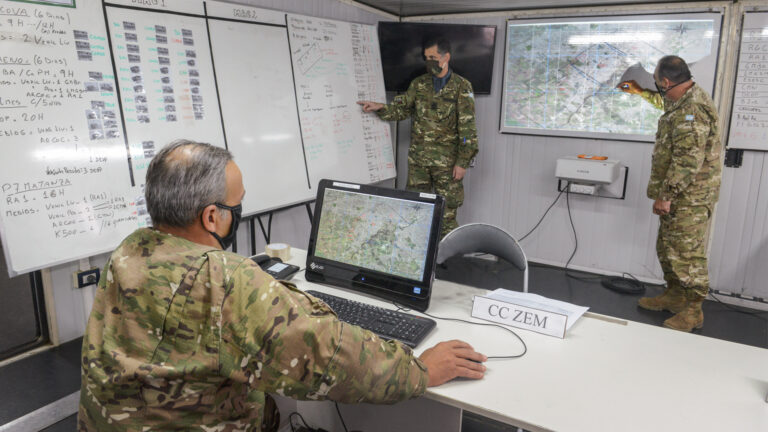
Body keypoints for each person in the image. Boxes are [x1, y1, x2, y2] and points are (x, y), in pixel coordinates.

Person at [77, 139, 487, 431]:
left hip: (111, 421)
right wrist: (419, 371)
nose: (238, 214)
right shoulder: (223, 279)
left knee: (270, 405)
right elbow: (327, 356)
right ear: (211, 218)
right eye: (236, 207)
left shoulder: (129, 251)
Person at [618, 55, 721, 332]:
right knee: (668, 248)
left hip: (689, 196)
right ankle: (675, 295)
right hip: (679, 194)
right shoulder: (681, 100)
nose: (657, 87)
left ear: (665, 81)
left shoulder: (694, 109)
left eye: (654, 82)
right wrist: (641, 93)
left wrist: (667, 194)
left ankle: (693, 310)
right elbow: (666, 104)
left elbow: (688, 159)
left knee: (687, 253)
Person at [358, 36, 478, 238]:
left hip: (447, 164)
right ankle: (415, 255)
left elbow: (468, 129)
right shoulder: (419, 84)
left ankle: (444, 258)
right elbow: (401, 110)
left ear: (445, 57)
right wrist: (380, 108)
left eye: (432, 57)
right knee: (414, 208)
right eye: (425, 57)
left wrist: (463, 162)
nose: (428, 61)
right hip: (419, 161)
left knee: (447, 214)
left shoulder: (462, 87)